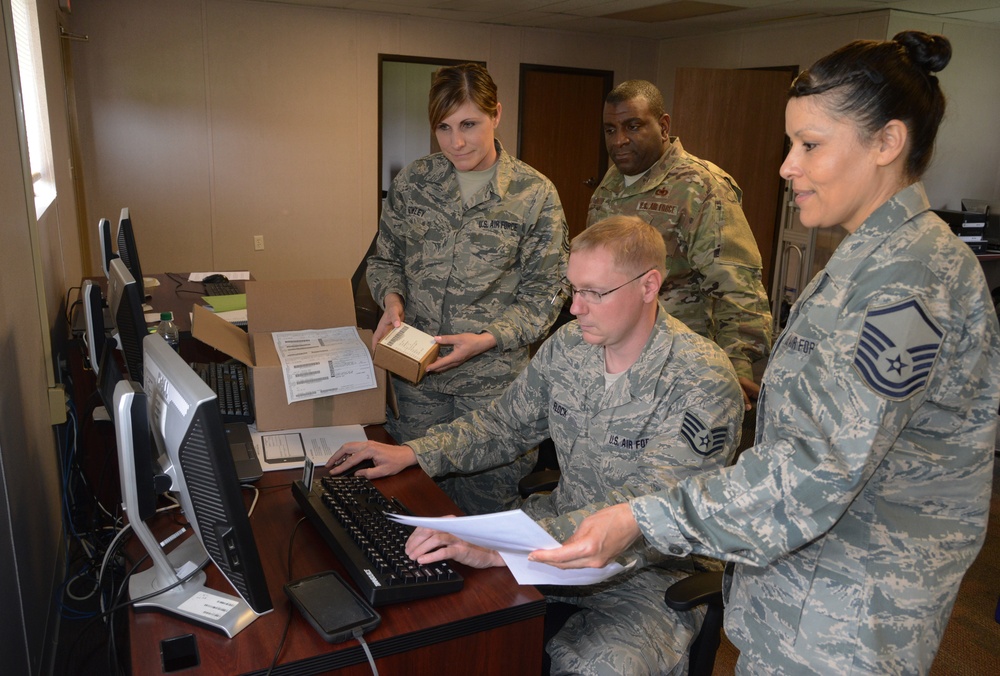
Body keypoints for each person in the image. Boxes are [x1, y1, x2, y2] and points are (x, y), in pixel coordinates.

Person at [531, 31, 1000, 674]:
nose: (786, 166)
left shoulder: (910, 279)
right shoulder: (864, 263)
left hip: (846, 623)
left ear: (887, 143)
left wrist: (641, 519)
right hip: (802, 601)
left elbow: (811, 475)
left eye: (810, 145)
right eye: (790, 144)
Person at [330, 216, 744, 674]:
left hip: (647, 573)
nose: (574, 308)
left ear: (649, 286)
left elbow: (647, 515)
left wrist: (504, 551)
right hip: (550, 535)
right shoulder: (570, 347)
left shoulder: (701, 379)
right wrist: (414, 452)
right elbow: (503, 425)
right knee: (440, 619)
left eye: (593, 292)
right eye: (573, 290)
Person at [367, 63, 568, 513]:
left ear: (496, 114)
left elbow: (547, 295)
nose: (456, 142)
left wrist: (487, 339)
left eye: (469, 124)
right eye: (443, 127)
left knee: (484, 518)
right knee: (412, 508)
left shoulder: (534, 195)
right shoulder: (415, 183)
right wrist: (392, 299)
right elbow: (385, 260)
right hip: (416, 380)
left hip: (491, 392)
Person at [589, 79, 772, 409]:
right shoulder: (611, 183)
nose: (619, 141)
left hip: (682, 366)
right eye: (610, 129)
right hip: (618, 359)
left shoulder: (701, 186)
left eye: (633, 126)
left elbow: (738, 286)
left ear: (663, 126)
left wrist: (735, 366)